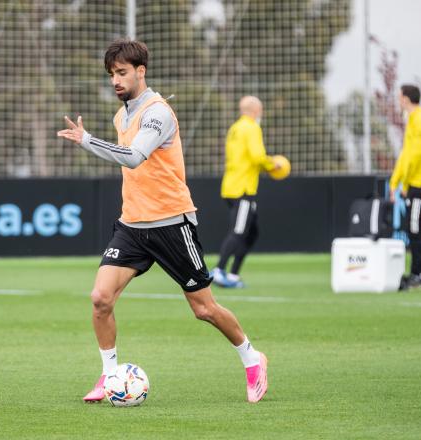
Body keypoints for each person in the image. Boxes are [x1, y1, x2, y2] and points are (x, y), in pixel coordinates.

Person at [57, 39, 268, 403]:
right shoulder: (121, 115)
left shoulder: (158, 112)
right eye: (111, 75)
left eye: (122, 73)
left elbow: (135, 157)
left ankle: (253, 358)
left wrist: (88, 141)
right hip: (132, 226)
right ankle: (109, 378)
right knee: (100, 298)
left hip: (172, 223)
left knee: (204, 309)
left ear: (141, 71)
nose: (116, 81)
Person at [210, 96, 279, 289]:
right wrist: (274, 164)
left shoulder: (235, 128)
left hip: (231, 186)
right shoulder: (251, 127)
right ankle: (219, 270)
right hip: (243, 189)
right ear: (256, 110)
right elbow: (257, 157)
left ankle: (232, 275)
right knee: (239, 231)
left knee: (251, 232)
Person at [389, 84, 421, 290]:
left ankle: (417, 275)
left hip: (419, 183)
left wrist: (405, 183)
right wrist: (394, 181)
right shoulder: (414, 120)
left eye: (400, 96)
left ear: (406, 98)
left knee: (414, 227)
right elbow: (406, 154)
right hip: (414, 182)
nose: (398, 99)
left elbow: (414, 156)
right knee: (417, 227)